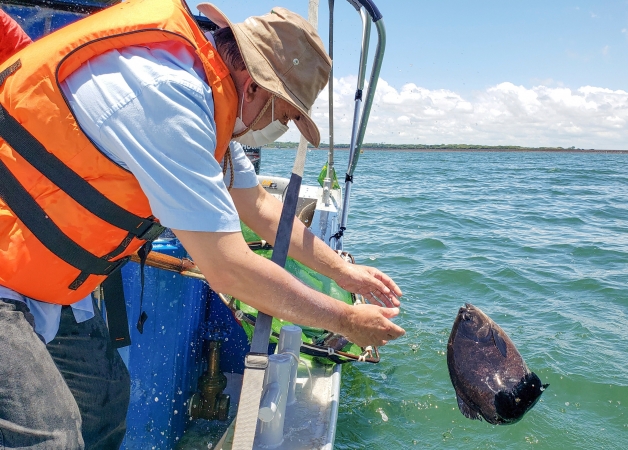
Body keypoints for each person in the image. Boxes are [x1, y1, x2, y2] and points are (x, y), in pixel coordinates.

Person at [0, 0, 405, 448]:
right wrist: (348, 320)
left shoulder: (209, 96)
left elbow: (262, 209)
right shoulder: (167, 96)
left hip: (41, 278)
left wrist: (347, 274)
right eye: (285, 116)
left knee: (104, 405)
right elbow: (228, 268)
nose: (280, 129)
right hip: (6, 272)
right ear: (254, 87)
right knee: (49, 437)